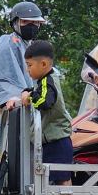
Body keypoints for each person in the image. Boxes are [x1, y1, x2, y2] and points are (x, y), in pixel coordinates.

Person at [0, 1, 46, 141]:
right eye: (25, 22)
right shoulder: (8, 44)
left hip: (33, 112)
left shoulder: (31, 46)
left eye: (35, 23)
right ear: (15, 23)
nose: (31, 26)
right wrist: (8, 98)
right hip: (14, 113)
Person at [19, 40, 73, 185]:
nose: (27, 70)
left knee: (62, 181)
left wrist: (29, 97)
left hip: (58, 141)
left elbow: (44, 101)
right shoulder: (44, 81)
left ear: (43, 64)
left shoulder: (48, 82)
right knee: (52, 181)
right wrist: (29, 91)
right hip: (51, 140)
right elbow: (40, 93)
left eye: (29, 65)